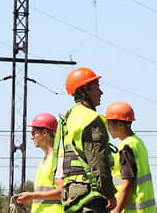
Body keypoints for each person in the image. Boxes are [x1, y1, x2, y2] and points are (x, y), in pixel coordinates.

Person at [52, 67, 117, 213]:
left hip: (72, 196)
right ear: (84, 91)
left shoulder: (68, 117)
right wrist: (109, 193)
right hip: (91, 197)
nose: (101, 92)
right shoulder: (91, 119)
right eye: (97, 88)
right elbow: (98, 160)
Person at [105, 101, 156, 213]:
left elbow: (128, 185)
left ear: (120, 125)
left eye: (109, 123)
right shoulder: (138, 143)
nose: (108, 128)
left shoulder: (126, 148)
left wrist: (117, 210)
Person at [16, 113, 64, 213]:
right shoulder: (44, 160)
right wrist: (30, 199)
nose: (31, 138)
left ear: (45, 133)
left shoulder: (59, 158)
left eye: (34, 134)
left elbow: (62, 192)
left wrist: (33, 196)